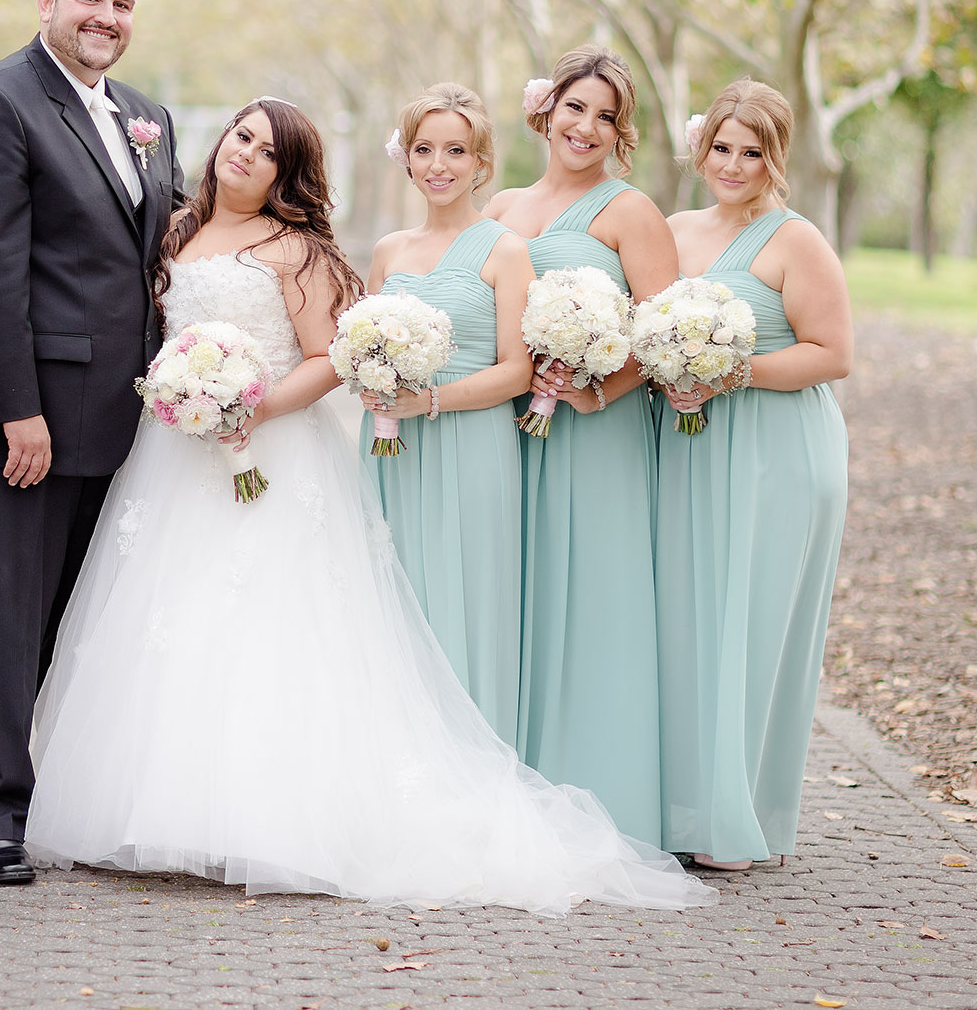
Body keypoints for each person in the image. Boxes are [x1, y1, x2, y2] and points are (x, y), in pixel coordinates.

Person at [24, 99, 708, 914]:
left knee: (268, 625)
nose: (247, 153)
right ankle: (157, 811)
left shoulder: (297, 249)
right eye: (242, 136)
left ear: (287, 175)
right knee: (168, 617)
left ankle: (267, 818)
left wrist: (255, 408)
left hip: (274, 449)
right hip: (172, 456)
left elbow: (329, 357)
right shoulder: (173, 232)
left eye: (269, 151)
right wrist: (186, 396)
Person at [0, 0, 183, 885]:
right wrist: (14, 410)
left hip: (115, 421)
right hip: (17, 428)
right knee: (4, 623)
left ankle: (54, 800)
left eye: (122, 3)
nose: (106, 17)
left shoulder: (146, 116)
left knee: (71, 624)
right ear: (47, 0)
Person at [653, 79, 851, 870]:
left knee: (754, 622)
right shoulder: (673, 231)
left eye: (752, 152)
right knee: (688, 619)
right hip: (688, 445)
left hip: (777, 450)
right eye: (722, 148)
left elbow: (832, 353)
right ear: (701, 149)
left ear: (776, 158)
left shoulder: (796, 240)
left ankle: (738, 818)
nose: (733, 165)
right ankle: (686, 804)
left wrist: (729, 373)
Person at [484, 45, 678, 848]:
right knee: (516, 597)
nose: (586, 127)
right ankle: (512, 786)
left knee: (593, 599)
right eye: (575, 107)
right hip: (509, 433)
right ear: (546, 107)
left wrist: (593, 391)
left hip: (596, 436)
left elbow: (663, 334)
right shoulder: (501, 206)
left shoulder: (631, 212)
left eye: (606, 116)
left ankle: (603, 793)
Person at [361, 84, 534, 739]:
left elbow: (517, 370)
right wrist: (368, 380)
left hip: (472, 444)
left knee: (468, 594)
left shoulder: (506, 249)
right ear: (406, 157)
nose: (439, 165)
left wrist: (430, 399)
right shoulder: (389, 250)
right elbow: (362, 342)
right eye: (424, 149)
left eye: (456, 150)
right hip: (392, 446)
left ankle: (473, 749)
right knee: (393, 591)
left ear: (480, 161)